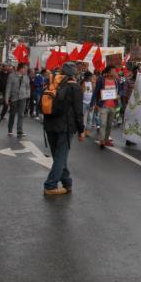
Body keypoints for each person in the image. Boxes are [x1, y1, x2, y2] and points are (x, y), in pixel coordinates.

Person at [43, 62, 85, 195]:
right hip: (65, 126)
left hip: (49, 124)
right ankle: (50, 185)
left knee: (58, 157)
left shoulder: (53, 84)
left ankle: (67, 182)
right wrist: (81, 130)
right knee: (60, 157)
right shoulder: (75, 88)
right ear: (74, 74)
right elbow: (78, 112)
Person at [91, 65, 120, 149]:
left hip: (113, 106)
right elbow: (96, 92)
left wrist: (118, 95)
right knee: (103, 123)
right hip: (103, 106)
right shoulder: (101, 80)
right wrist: (93, 103)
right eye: (113, 71)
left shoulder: (116, 81)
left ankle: (106, 139)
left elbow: (120, 90)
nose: (115, 72)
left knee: (109, 124)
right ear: (108, 72)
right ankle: (102, 140)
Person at [5, 63, 31, 137]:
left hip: (23, 98)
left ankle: (19, 130)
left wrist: (27, 95)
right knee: (12, 114)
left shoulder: (26, 77)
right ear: (21, 68)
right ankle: (10, 129)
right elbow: (8, 87)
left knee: (21, 114)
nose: (26, 70)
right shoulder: (12, 76)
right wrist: (6, 98)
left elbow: (28, 87)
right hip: (14, 97)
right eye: (25, 68)